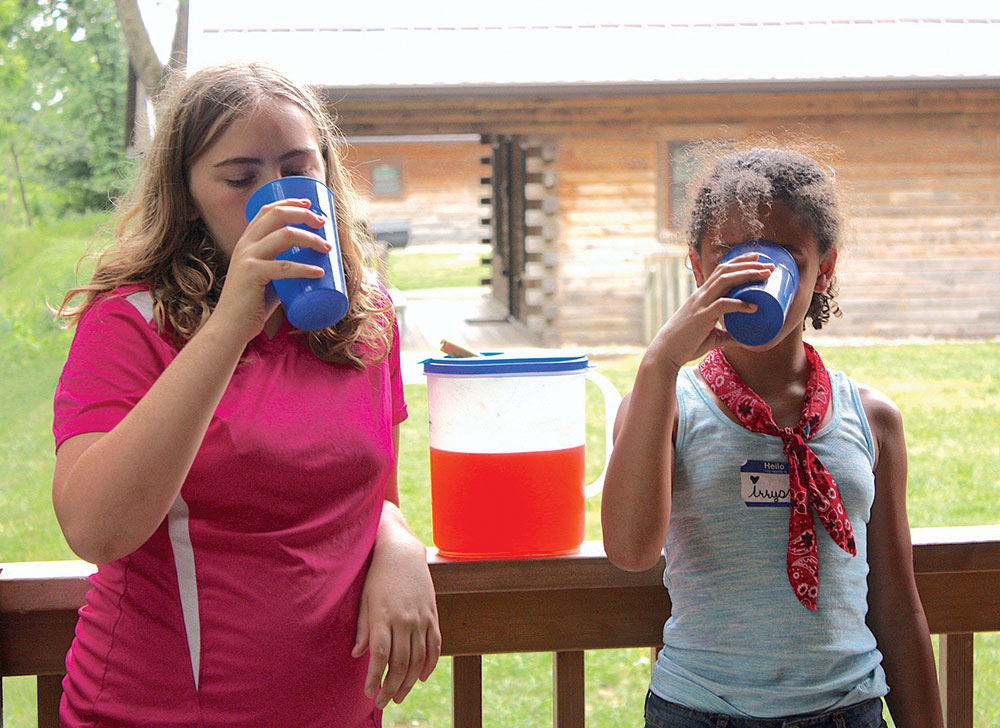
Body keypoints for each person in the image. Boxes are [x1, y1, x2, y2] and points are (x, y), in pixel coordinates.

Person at [51, 62, 440, 727]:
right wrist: (235, 319)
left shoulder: (366, 321)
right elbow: (95, 528)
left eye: (299, 168)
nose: (277, 195)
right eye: (241, 178)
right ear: (189, 192)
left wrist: (398, 539)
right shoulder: (131, 321)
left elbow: (370, 495)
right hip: (156, 711)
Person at [601, 144, 942, 727]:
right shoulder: (667, 404)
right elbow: (631, 551)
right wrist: (659, 363)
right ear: (697, 266)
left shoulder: (871, 419)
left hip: (846, 709)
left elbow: (894, 602)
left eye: (784, 255)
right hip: (701, 710)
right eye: (730, 255)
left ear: (824, 266)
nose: (756, 273)